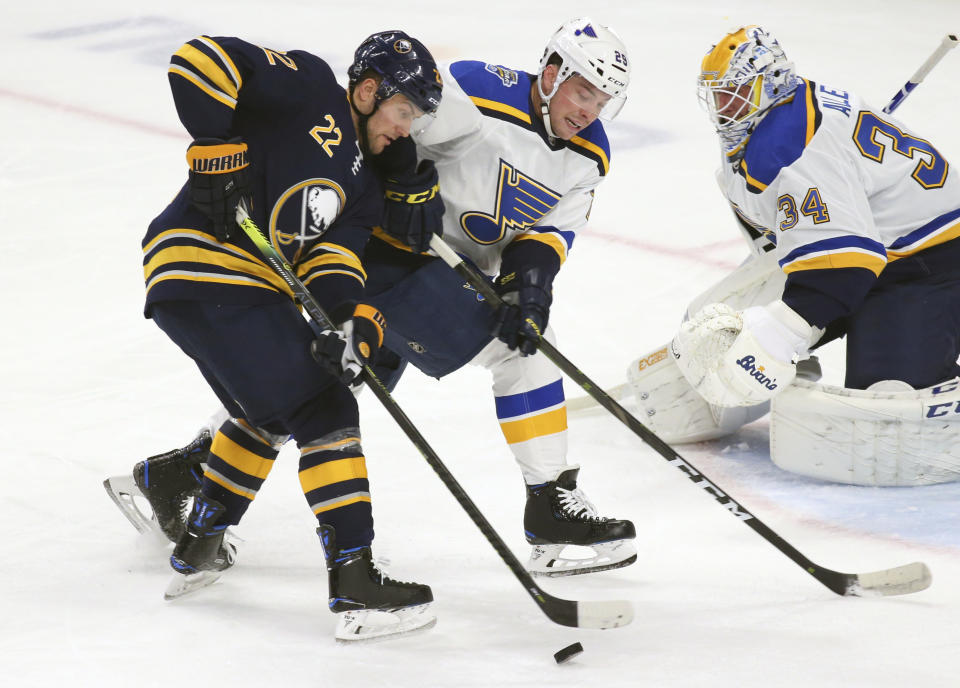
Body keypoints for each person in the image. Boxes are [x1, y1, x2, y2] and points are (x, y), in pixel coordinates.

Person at [106, 17, 638, 577]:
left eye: (602, 101)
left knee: (311, 385)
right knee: (516, 354)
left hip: (421, 273)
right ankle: (549, 506)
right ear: (552, 74)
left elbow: (549, 232)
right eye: (584, 91)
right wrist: (405, 183)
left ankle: (182, 476)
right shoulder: (476, 91)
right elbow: (385, 134)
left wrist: (529, 285)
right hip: (381, 259)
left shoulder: (590, 154)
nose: (589, 111)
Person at [130, 29, 443, 642]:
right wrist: (214, 148)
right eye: (404, 111)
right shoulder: (308, 86)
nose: (407, 129)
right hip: (205, 264)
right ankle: (354, 581)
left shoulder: (364, 189)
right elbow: (199, 60)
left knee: (272, 409)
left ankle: (200, 543)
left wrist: (349, 320)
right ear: (369, 90)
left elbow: (331, 264)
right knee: (324, 408)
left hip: (224, 290)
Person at [618, 25, 960, 486]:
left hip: (930, 261)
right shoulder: (764, 124)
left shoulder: (792, 141)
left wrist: (784, 334)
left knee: (887, 405)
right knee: (716, 337)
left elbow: (845, 271)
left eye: (737, 93)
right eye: (719, 95)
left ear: (770, 83)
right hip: (871, 251)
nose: (725, 107)